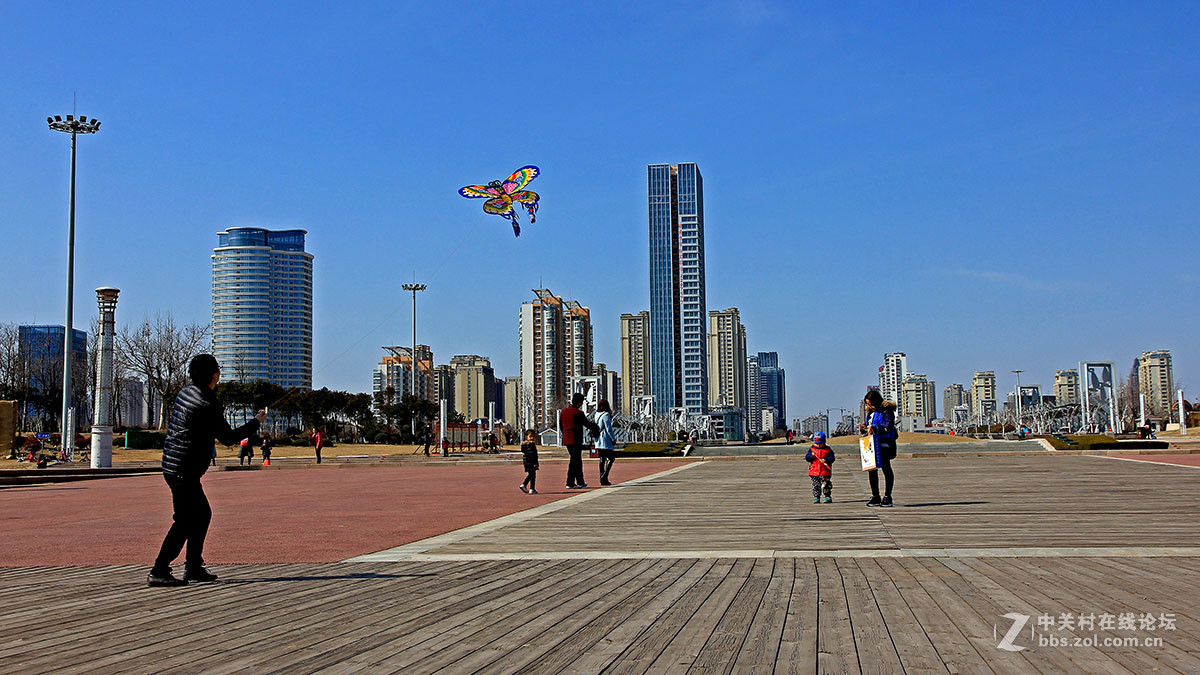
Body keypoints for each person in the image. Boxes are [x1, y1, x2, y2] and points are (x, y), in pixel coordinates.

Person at [149, 354, 265, 587]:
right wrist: (256, 422)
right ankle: (159, 570)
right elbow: (228, 437)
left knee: (201, 514)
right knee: (184, 521)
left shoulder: (185, 393)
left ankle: (193, 567)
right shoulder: (208, 402)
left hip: (173, 465)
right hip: (184, 468)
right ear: (214, 375)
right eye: (218, 371)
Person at [863, 390, 897, 507]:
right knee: (872, 470)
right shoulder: (871, 413)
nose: (869, 407)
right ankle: (875, 496)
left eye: (870, 404)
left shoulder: (886, 411)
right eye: (867, 404)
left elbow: (888, 426)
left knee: (886, 468)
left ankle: (887, 496)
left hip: (884, 444)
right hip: (872, 443)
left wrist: (875, 428)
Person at [560, 393, 599, 489]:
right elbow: (587, 424)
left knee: (577, 460)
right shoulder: (578, 413)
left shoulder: (563, 412)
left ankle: (580, 481)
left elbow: (561, 426)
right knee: (574, 461)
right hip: (576, 440)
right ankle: (570, 482)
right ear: (579, 403)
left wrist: (565, 434)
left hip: (567, 440)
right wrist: (597, 428)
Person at [805, 431, 835, 503]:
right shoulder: (812, 450)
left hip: (825, 471)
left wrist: (826, 460)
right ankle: (816, 497)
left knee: (826, 485)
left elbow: (832, 458)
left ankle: (827, 496)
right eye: (816, 444)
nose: (818, 445)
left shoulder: (828, 450)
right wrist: (811, 456)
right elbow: (807, 458)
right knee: (816, 485)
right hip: (814, 471)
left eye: (820, 444)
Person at [594, 399, 617, 486]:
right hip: (605, 439)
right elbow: (608, 428)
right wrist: (613, 439)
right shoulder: (606, 414)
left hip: (598, 439)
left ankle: (602, 477)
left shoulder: (596, 414)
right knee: (611, 458)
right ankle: (604, 476)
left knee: (602, 458)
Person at [519, 430, 539, 494]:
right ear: (526, 437)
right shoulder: (531, 445)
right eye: (530, 436)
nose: (532, 438)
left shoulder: (524, 445)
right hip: (531, 462)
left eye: (533, 436)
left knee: (531, 475)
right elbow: (533, 455)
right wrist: (535, 463)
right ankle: (529, 487)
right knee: (532, 475)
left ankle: (529, 487)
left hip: (527, 462)